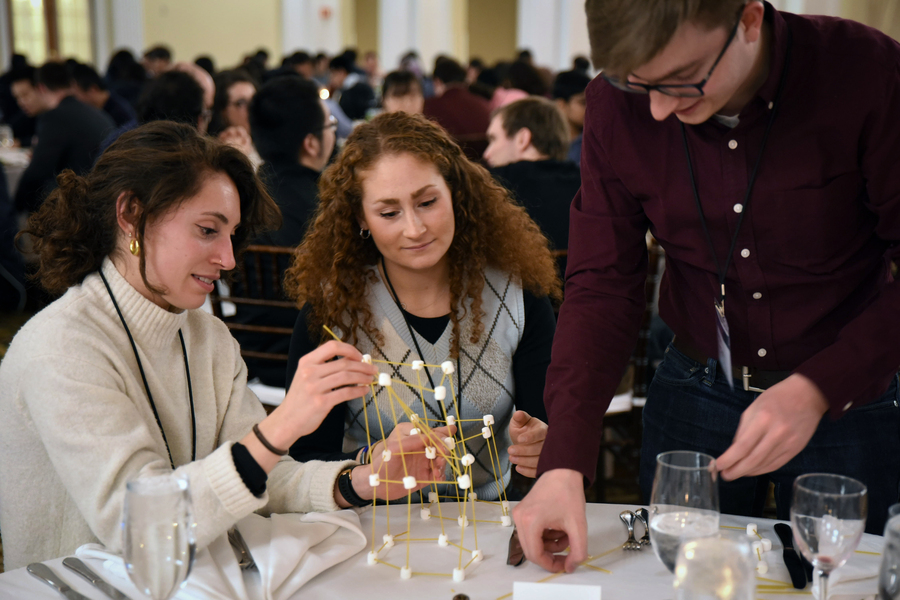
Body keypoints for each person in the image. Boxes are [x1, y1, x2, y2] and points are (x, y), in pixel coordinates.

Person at [513, 0, 900, 573]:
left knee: (847, 580)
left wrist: (821, 386)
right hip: (695, 384)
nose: (663, 110)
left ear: (748, 18)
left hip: (849, 391)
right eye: (639, 85)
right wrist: (564, 461)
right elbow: (601, 286)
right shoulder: (616, 106)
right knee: (674, 575)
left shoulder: (866, 73)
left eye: (683, 82)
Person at [0, 121, 444, 571]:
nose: (228, 259)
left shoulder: (205, 336)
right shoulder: (61, 348)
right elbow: (138, 526)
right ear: (132, 214)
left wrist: (364, 481)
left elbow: (263, 478)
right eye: (208, 230)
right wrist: (282, 424)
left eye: (230, 234)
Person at [284, 112, 561, 501]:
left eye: (427, 202)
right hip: (374, 532)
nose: (414, 229)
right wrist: (372, 460)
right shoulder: (332, 314)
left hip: (489, 524)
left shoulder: (518, 295)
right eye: (389, 213)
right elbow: (303, 460)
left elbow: (547, 425)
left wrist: (546, 443)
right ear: (361, 217)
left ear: (455, 194)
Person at [228, 76, 338, 386]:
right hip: (314, 363)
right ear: (311, 143)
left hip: (247, 358)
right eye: (330, 124)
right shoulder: (330, 209)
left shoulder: (239, 200)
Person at [484, 97, 580, 273]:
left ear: (523, 138)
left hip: (522, 296)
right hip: (585, 294)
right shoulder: (588, 184)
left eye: (493, 139)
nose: (487, 153)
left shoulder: (493, 186)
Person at [14, 61, 114, 213]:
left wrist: (14, 207)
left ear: (40, 88)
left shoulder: (55, 117)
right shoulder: (97, 113)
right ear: (71, 83)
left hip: (80, 204)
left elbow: (38, 172)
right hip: (106, 196)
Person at [423, 57, 491, 161]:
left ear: (437, 82)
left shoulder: (429, 106)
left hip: (450, 166)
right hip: (485, 166)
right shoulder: (484, 104)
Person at [70, 62, 138, 128]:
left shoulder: (120, 115)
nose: (76, 100)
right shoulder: (104, 108)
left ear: (93, 90)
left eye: (76, 95)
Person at [551, 69, 591, 164]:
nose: (590, 108)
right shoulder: (545, 141)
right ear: (561, 105)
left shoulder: (593, 143)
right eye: (583, 102)